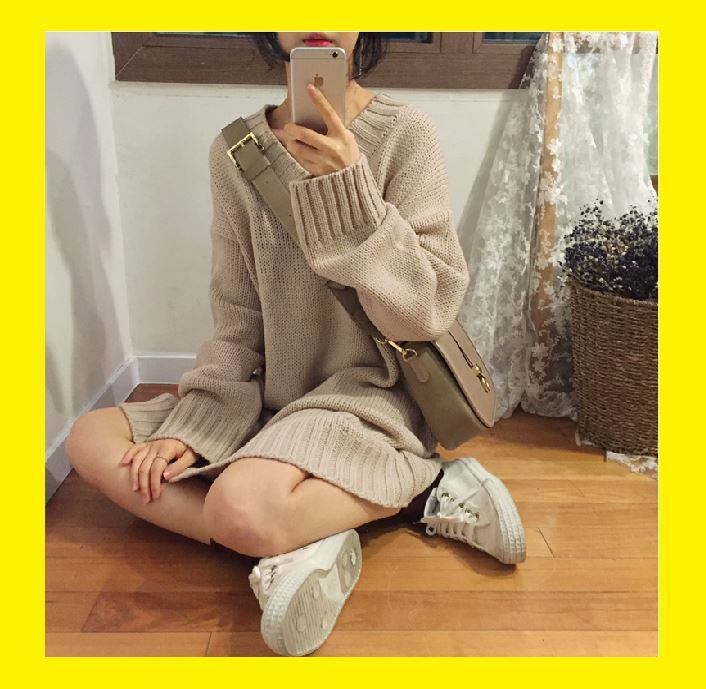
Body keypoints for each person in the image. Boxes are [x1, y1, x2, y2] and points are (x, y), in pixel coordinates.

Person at [65, 31, 526, 657]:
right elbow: (237, 317)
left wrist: (353, 199)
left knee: (239, 506)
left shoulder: (405, 134)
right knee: (89, 440)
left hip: (369, 394)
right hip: (272, 397)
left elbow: (427, 310)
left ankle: (414, 489)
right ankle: (307, 530)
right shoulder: (236, 153)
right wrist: (196, 427)